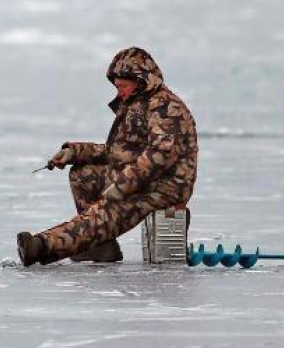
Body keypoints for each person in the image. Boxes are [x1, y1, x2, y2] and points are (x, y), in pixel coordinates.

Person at [17, 47, 198, 266]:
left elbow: (160, 154)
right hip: (142, 179)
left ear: (140, 80)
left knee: (105, 212)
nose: (119, 92)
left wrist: (123, 185)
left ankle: (42, 246)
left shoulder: (166, 107)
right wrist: (75, 152)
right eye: (117, 86)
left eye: (123, 86)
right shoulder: (136, 104)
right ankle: (100, 247)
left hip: (164, 187)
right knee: (83, 174)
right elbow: (117, 152)